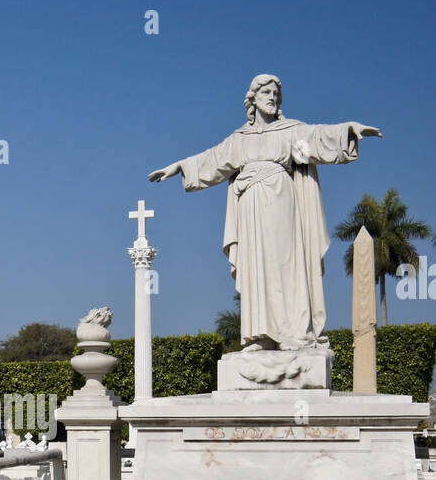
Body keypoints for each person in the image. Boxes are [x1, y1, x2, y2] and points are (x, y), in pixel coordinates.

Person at [149, 75, 381, 350]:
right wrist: (178, 167)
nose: (272, 97)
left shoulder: (290, 131)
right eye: (266, 93)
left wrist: (349, 130)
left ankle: (293, 334)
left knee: (286, 265)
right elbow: (212, 159)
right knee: (256, 267)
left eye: (276, 94)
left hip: (281, 201)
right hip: (250, 208)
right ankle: (260, 335)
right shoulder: (239, 139)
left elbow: (318, 137)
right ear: (253, 99)